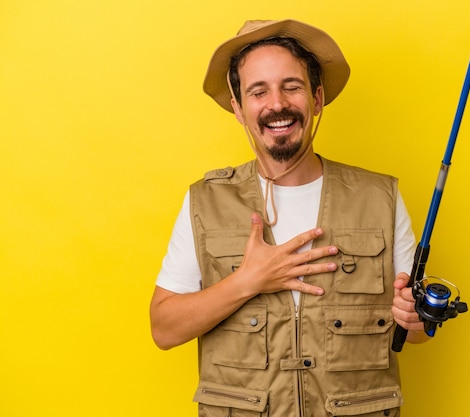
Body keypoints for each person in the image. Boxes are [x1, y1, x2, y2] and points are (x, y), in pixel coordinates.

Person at [150, 19, 429, 416]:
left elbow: (414, 330)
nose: (277, 104)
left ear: (317, 99)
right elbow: (164, 329)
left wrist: (415, 320)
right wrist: (248, 281)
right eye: (258, 91)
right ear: (238, 108)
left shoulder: (379, 197)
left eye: (291, 87)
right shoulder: (205, 201)